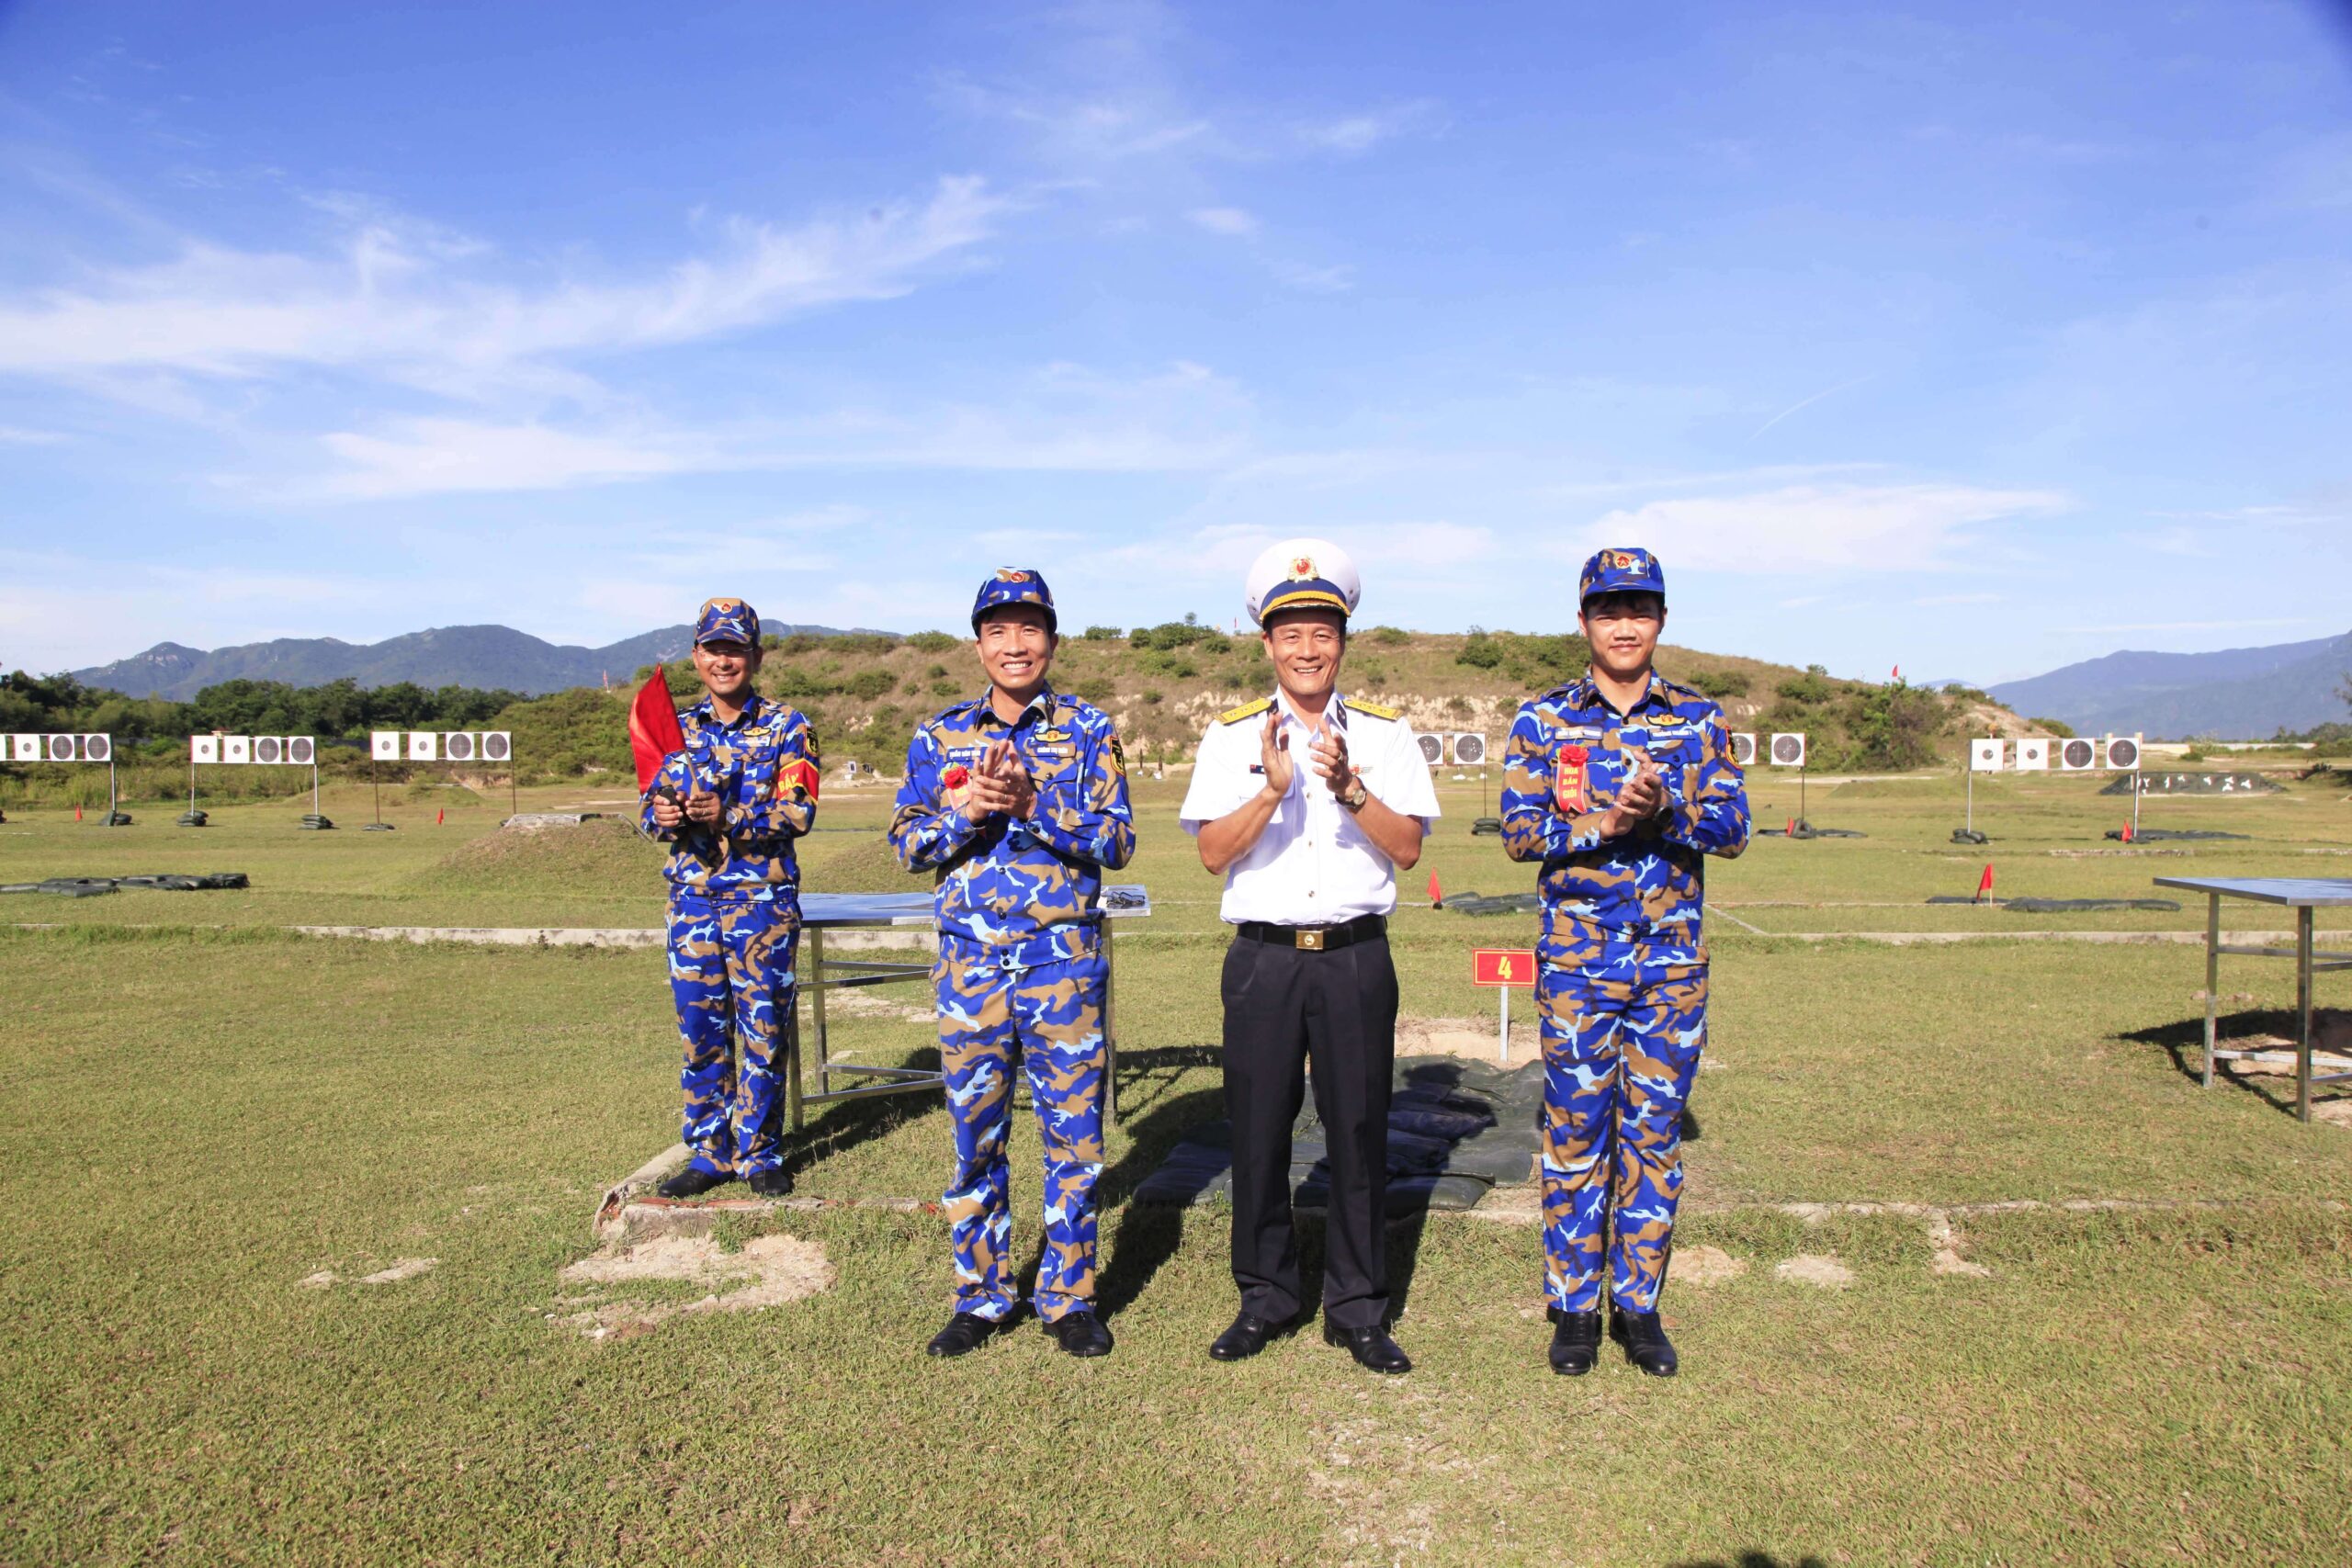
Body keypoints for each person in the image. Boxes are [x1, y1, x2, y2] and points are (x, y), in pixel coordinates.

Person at [1181, 539, 1439, 1375]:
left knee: (1359, 1130)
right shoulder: (1230, 738)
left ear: (1343, 639)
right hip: (1263, 959)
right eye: (1289, 632)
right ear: (1265, 643)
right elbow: (1214, 853)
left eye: (1322, 629)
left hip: (1355, 957)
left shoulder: (1387, 736)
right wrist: (1273, 790)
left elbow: (1407, 850)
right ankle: (1266, 1297)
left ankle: (1359, 1307)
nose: (1306, 647)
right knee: (1257, 1132)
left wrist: (1347, 788)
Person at [1499, 547, 1749, 1378]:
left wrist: (1669, 809)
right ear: (1583, 621)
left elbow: (1735, 830)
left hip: (1670, 968)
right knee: (1574, 1128)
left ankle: (1637, 1307)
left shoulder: (1701, 720)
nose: (1624, 622)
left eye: (1639, 607)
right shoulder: (1543, 720)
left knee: (1652, 1136)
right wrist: (1605, 823)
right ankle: (1573, 1307)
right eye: (1608, 608)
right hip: (1577, 966)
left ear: (1663, 619)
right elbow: (1519, 834)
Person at [889, 569, 1136, 1359]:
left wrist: (1034, 805)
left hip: (1060, 963)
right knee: (975, 1135)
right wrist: (969, 808)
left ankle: (1067, 1295)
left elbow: (1119, 842)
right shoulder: (938, 737)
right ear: (978, 644)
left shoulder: (1090, 729)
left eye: (1030, 628)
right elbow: (905, 844)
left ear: (1052, 639)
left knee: (1074, 1137)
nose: (1015, 644)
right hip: (971, 970)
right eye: (999, 630)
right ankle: (983, 1294)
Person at [641, 597, 821, 1201]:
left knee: (764, 1029)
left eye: (736, 648)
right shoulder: (677, 730)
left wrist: (732, 814)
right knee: (701, 1030)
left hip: (761, 902)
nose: (725, 660)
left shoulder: (788, 726)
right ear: (697, 656)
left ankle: (761, 1151)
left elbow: (800, 809)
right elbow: (648, 805)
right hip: (693, 901)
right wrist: (663, 813)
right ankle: (711, 1152)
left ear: (756, 656)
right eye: (714, 649)